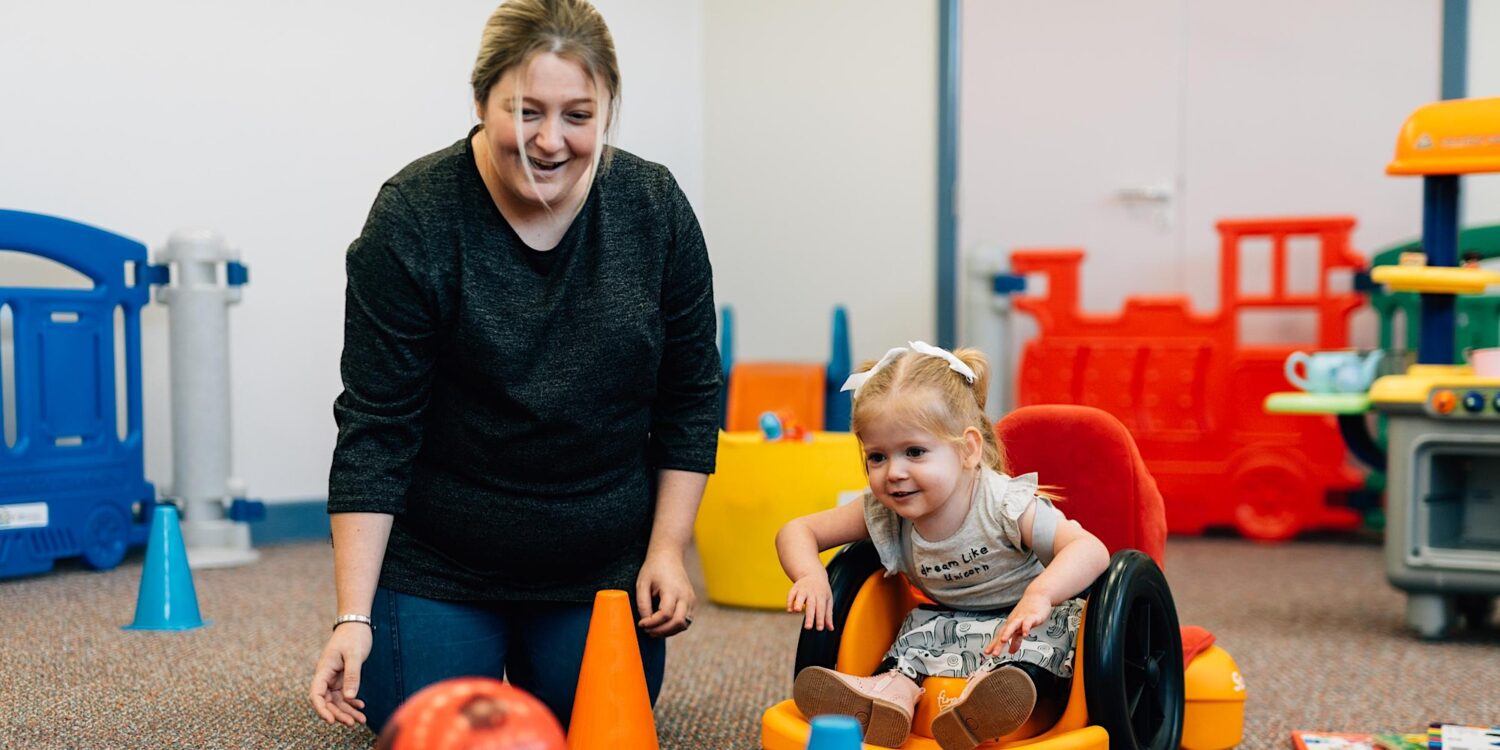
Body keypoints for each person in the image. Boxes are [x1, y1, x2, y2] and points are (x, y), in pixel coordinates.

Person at [307, 0, 720, 734]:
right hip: (444, 558)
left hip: (598, 563)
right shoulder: (413, 218)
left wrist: (666, 552)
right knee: (430, 728)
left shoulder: (653, 207)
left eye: (578, 115)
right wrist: (352, 616)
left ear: (607, 111)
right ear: (480, 101)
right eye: (525, 111)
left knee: (584, 728)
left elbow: (689, 399)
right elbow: (376, 429)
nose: (550, 142)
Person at [775, 342, 1109, 750]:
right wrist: (810, 574)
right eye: (877, 457)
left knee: (1044, 642)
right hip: (946, 622)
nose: (893, 473)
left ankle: (984, 703)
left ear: (967, 449)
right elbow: (796, 531)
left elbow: (1090, 549)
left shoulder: (1002, 503)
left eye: (914, 452)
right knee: (913, 642)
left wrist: (1041, 595)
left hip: (1026, 623)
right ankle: (889, 696)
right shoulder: (883, 511)